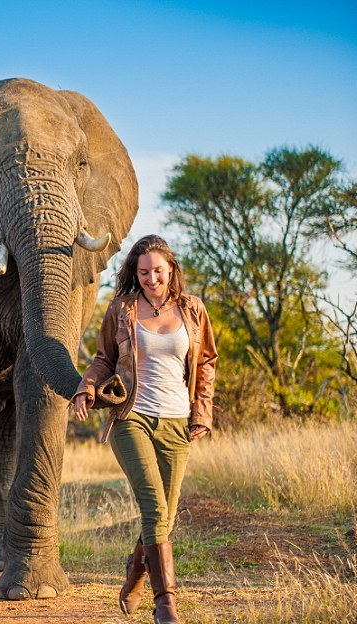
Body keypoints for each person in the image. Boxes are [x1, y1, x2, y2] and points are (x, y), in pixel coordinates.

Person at [72, 234, 217, 624]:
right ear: (134, 274)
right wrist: (87, 388)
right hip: (131, 417)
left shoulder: (193, 310)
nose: (151, 278)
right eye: (143, 272)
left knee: (164, 516)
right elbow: (104, 358)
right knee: (154, 505)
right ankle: (165, 603)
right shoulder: (122, 309)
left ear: (171, 270)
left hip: (176, 423)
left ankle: (135, 573)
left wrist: (201, 412)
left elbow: (205, 364)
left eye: (158, 271)